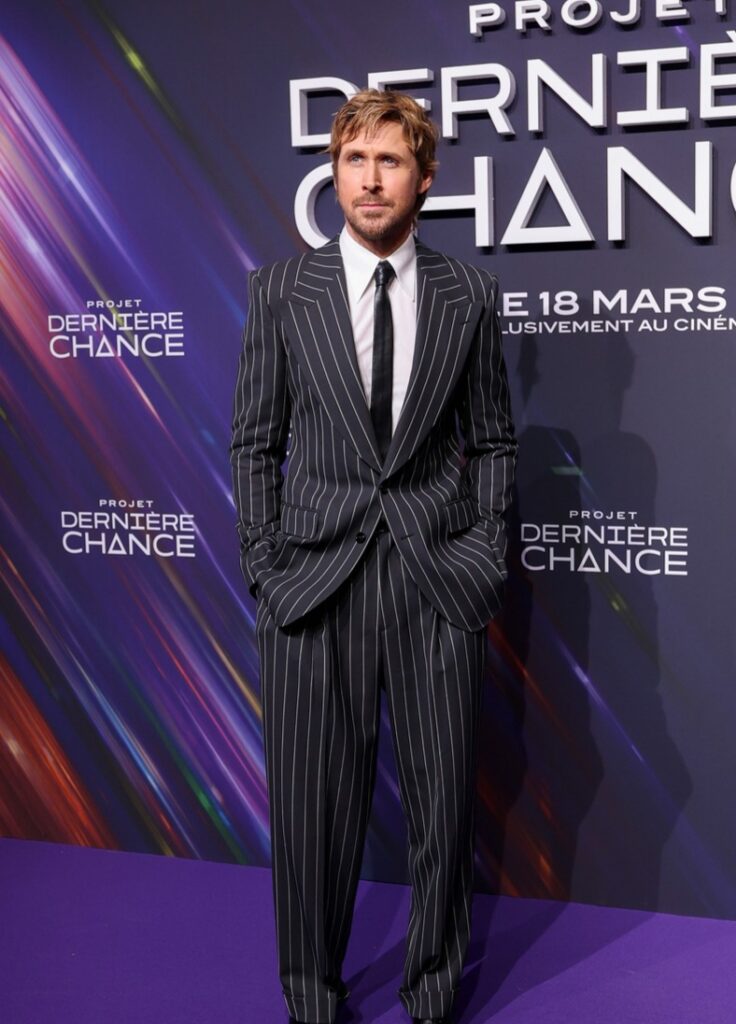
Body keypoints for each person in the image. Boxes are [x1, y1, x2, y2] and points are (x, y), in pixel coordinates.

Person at [230, 89, 517, 1024]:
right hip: (312, 584)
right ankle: (311, 996)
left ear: (424, 177)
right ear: (334, 171)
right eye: (354, 160)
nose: (370, 179)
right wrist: (266, 564)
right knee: (312, 816)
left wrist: (481, 555)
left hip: (437, 580)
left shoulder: (468, 295)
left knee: (444, 811)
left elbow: (493, 441)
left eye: (390, 161)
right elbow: (254, 442)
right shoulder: (281, 291)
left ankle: (431, 995)